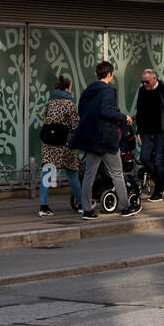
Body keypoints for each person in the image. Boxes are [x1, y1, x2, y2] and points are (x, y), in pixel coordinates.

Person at [70, 61, 136, 220]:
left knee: (89, 176)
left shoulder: (88, 91)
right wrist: (123, 117)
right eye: (112, 74)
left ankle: (87, 210)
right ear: (108, 75)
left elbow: (82, 111)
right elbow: (105, 111)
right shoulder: (107, 91)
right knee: (116, 174)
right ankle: (126, 207)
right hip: (106, 139)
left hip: (92, 139)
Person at [133, 68, 164, 201]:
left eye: (147, 82)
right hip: (147, 132)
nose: (144, 84)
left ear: (154, 79)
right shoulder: (142, 91)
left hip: (161, 132)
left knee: (158, 162)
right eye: (142, 82)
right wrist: (139, 129)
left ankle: (158, 191)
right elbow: (140, 110)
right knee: (144, 158)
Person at [39, 75, 81, 215]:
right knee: (73, 174)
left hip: (49, 144)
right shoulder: (69, 104)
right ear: (68, 88)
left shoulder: (50, 103)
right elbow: (76, 126)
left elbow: (45, 120)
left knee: (47, 173)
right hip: (65, 145)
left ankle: (43, 207)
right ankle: (81, 204)